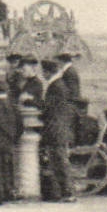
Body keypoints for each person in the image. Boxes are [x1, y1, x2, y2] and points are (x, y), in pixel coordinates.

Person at [39, 58, 76, 202]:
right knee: (58, 161)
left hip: (56, 129)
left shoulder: (56, 86)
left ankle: (68, 193)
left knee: (60, 161)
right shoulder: (58, 85)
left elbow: (48, 107)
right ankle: (64, 192)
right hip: (58, 128)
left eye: (44, 72)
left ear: (48, 72)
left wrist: (34, 102)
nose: (43, 74)